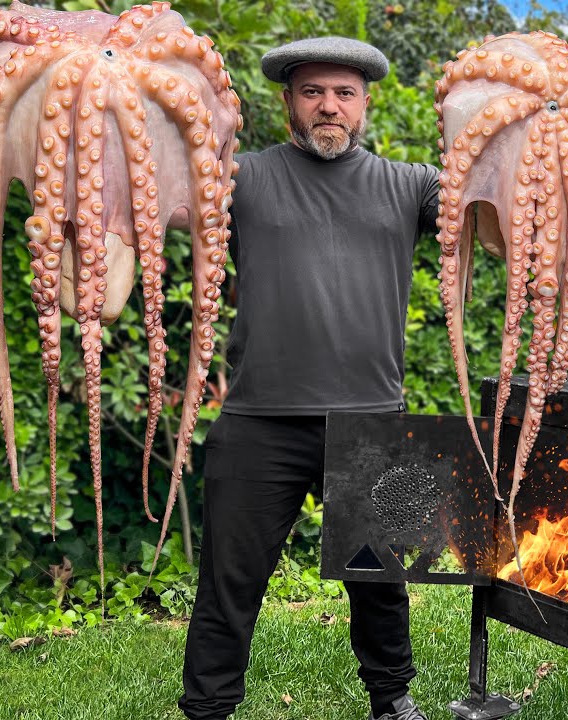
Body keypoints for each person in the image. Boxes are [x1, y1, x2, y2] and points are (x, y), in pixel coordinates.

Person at [177, 37, 440, 720]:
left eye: (344, 93)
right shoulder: (242, 178)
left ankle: (392, 700)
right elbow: (156, 208)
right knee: (229, 581)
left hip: (372, 419)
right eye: (313, 92)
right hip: (260, 420)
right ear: (288, 101)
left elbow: (495, 220)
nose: (330, 106)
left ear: (365, 103)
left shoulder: (411, 186)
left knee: (380, 579)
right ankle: (207, 709)